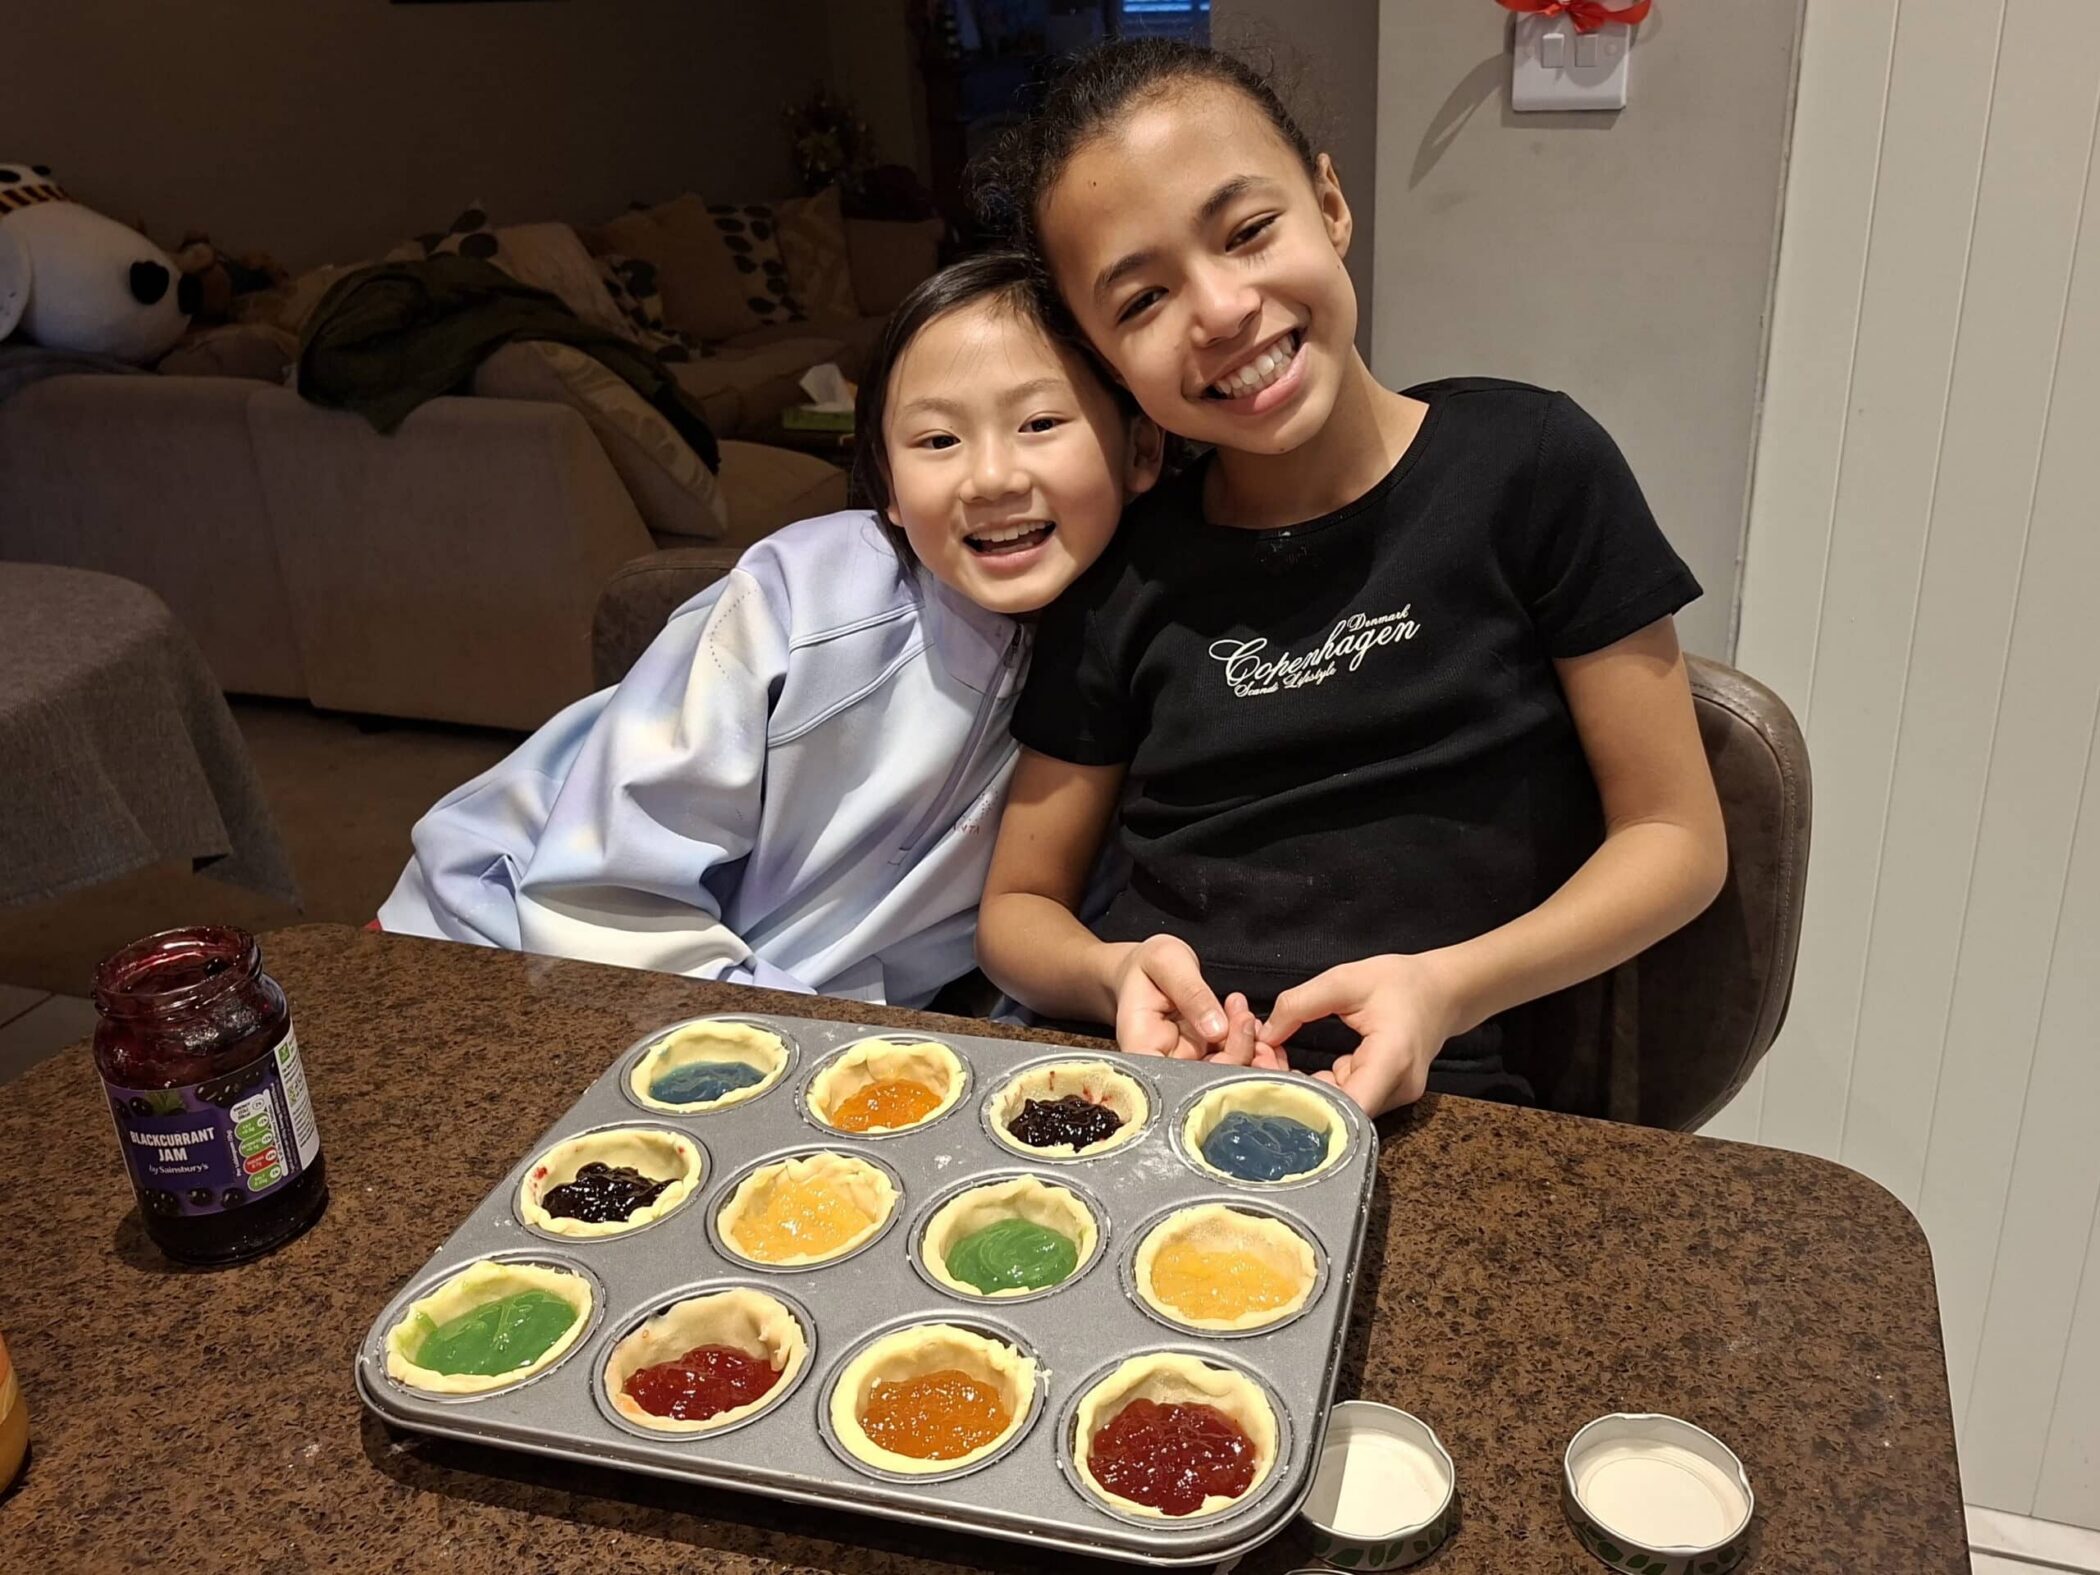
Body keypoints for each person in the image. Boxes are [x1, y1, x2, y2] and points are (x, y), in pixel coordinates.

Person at [970, 39, 1728, 1117]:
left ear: (1328, 202)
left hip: (1440, 1104)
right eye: (1141, 301)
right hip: (1151, 1094)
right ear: (1102, 354)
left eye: (1247, 231)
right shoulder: (1124, 567)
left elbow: (1676, 838)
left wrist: (1447, 989)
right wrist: (1114, 973)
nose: (1222, 309)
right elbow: (1020, 905)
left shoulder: (1530, 467)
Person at [377, 252, 1162, 1006]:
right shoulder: (802, 601)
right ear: (886, 484)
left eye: (1041, 421)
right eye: (937, 440)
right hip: (487, 938)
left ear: (1142, 445)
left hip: (750, 1005)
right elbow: (598, 897)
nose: (992, 476)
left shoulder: (1137, 643)